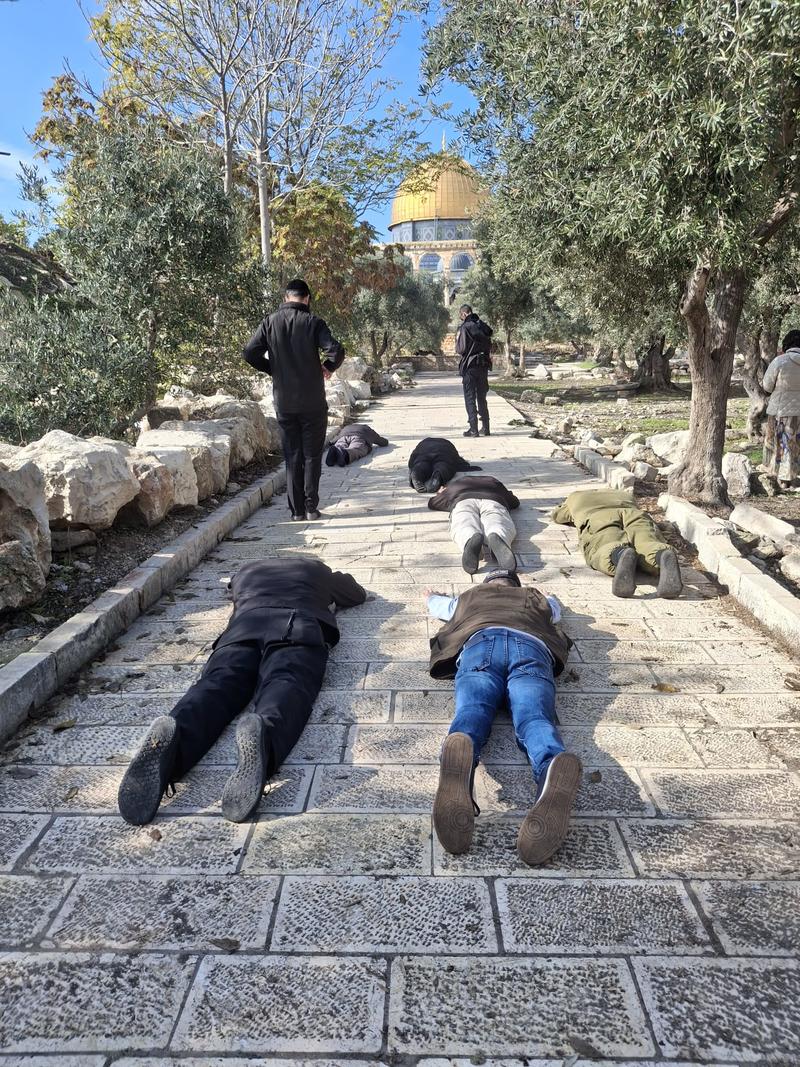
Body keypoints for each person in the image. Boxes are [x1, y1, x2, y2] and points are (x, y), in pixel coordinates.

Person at [118, 558, 366, 826]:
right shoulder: (314, 569)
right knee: (286, 681)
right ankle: (264, 737)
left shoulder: (245, 571)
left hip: (242, 628)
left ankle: (173, 742)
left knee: (217, 684)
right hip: (295, 623)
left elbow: (232, 593)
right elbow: (356, 594)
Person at [425, 571, 580, 866]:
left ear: (487, 585)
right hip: (532, 647)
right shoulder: (534, 597)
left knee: (472, 710)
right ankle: (550, 767)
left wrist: (430, 597)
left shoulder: (470, 597)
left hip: (481, 643)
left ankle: (463, 748)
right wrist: (548, 598)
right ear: (515, 585)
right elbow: (556, 611)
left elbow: (440, 608)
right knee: (535, 718)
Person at [243, 278, 344, 520]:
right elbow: (336, 350)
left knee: (292, 455)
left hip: (285, 402)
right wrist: (328, 366)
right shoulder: (314, 323)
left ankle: (296, 511)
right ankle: (311, 508)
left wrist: (273, 368)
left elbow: (249, 352)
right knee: (311, 455)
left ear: (286, 298)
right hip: (312, 401)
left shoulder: (269, 322)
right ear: (307, 299)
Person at [552, 488, 682, 598]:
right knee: (646, 540)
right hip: (634, 514)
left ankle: (619, 555)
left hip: (599, 516)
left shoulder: (575, 496)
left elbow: (558, 516)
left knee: (604, 542)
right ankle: (662, 554)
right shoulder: (625, 495)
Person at [428, 474, 520, 573]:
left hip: (464, 499)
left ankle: (470, 537)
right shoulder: (494, 482)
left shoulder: (457, 484)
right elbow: (515, 502)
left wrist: (441, 493)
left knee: (464, 520)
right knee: (496, 518)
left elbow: (433, 503)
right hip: (493, 499)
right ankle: (498, 535)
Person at [763, 329, 800, 488]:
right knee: (796, 443)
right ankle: (793, 477)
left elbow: (767, 386)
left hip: (780, 410)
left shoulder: (780, 361)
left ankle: (778, 477)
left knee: (779, 443)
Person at [456, 304, 493, 438]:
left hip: (470, 366)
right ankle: (486, 428)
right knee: (482, 397)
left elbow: (461, 349)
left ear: (464, 314)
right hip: (483, 366)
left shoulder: (465, 327)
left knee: (470, 397)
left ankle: (473, 429)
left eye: (460, 315)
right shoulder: (483, 327)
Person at [408, 437, 481, 493]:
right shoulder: (447, 444)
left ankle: (417, 471)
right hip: (444, 450)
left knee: (421, 463)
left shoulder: (422, 443)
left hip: (423, 450)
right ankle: (439, 473)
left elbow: (411, 462)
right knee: (444, 464)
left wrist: (413, 467)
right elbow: (459, 463)